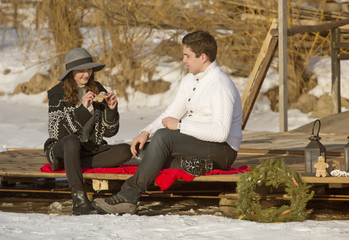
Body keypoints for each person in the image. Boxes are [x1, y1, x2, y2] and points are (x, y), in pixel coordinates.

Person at [94, 30, 243, 214]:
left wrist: (180, 126)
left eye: (187, 56)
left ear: (203, 57)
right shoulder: (190, 80)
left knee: (163, 139)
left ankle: (128, 196)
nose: (183, 60)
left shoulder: (220, 86)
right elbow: (171, 112)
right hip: (199, 145)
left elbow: (220, 133)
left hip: (222, 151)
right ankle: (189, 164)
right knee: (147, 150)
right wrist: (146, 132)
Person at [44, 48, 132, 215]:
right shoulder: (57, 93)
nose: (86, 74)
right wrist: (83, 109)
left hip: (90, 151)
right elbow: (56, 132)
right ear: (71, 73)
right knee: (72, 142)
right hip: (62, 148)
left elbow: (109, 132)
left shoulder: (97, 88)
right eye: (81, 71)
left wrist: (111, 110)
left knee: (125, 150)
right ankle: (79, 199)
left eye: (89, 69)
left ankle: (73, 164)